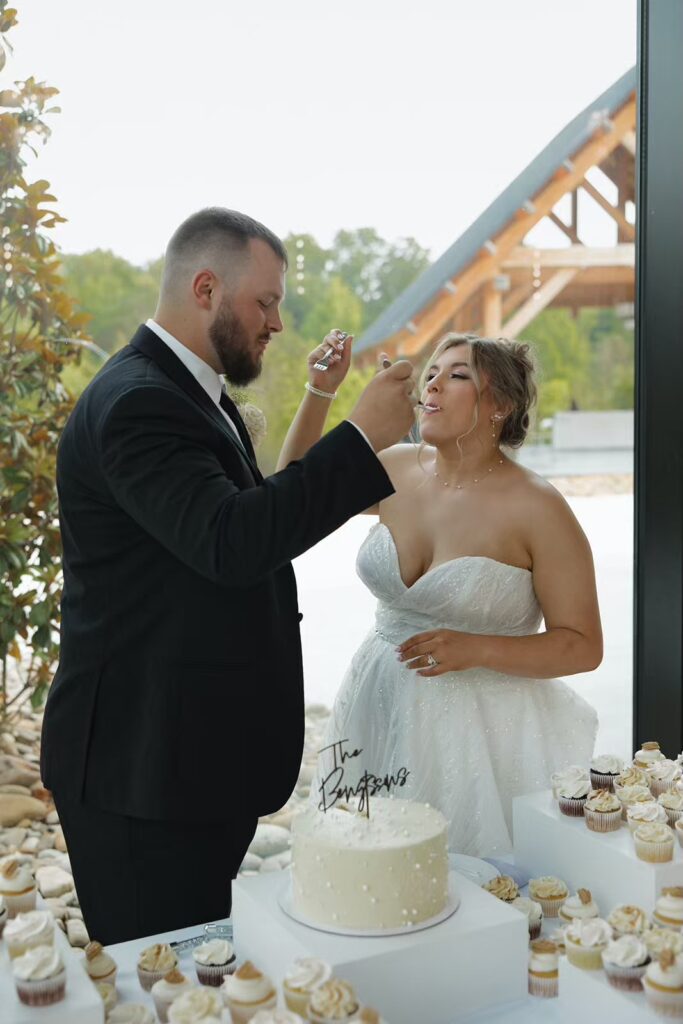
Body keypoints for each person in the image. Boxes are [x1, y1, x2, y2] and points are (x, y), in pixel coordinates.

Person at [40, 208, 417, 944]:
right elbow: (233, 542)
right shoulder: (139, 403)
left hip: (186, 759)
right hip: (138, 771)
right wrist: (363, 435)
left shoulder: (186, 394)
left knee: (200, 970)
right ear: (206, 287)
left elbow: (256, 524)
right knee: (163, 982)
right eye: (265, 302)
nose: (277, 322)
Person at [287, 332, 601, 856]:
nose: (432, 382)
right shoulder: (393, 468)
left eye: (456, 375)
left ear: (499, 404)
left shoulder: (538, 507)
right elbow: (294, 490)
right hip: (378, 700)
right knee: (367, 871)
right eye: (431, 371)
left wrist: (476, 647)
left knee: (470, 887)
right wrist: (319, 392)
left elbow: (583, 645)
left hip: (481, 736)